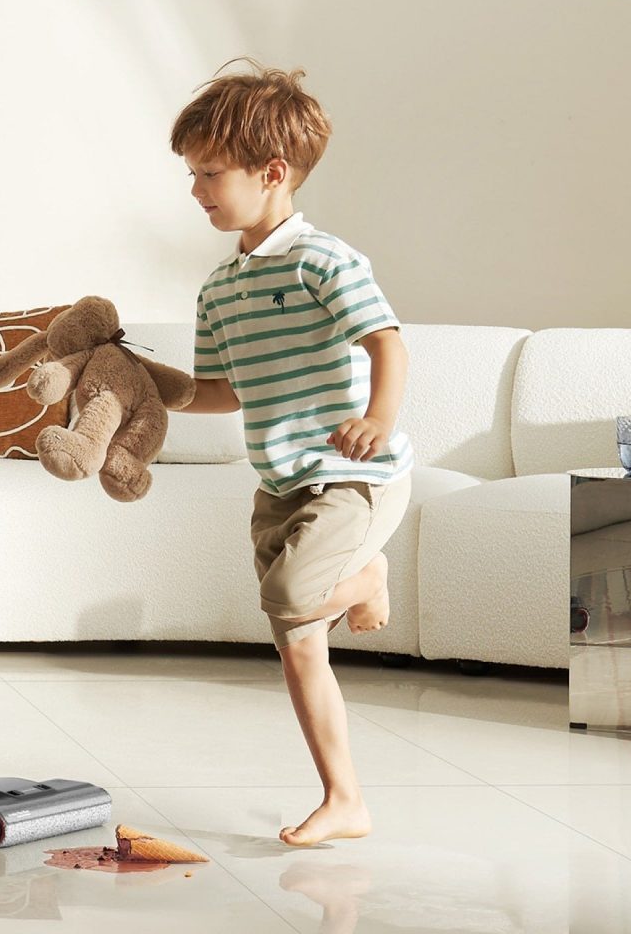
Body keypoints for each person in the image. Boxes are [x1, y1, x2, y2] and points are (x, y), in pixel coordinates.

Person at [170, 61, 413, 844]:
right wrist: (140, 375)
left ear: (271, 173)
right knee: (298, 637)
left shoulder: (323, 261)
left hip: (351, 476)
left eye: (210, 172)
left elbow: (387, 341)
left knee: (288, 600)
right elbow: (218, 392)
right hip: (279, 486)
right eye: (192, 174)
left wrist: (377, 417)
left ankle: (367, 571)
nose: (197, 189)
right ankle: (346, 799)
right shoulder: (219, 288)